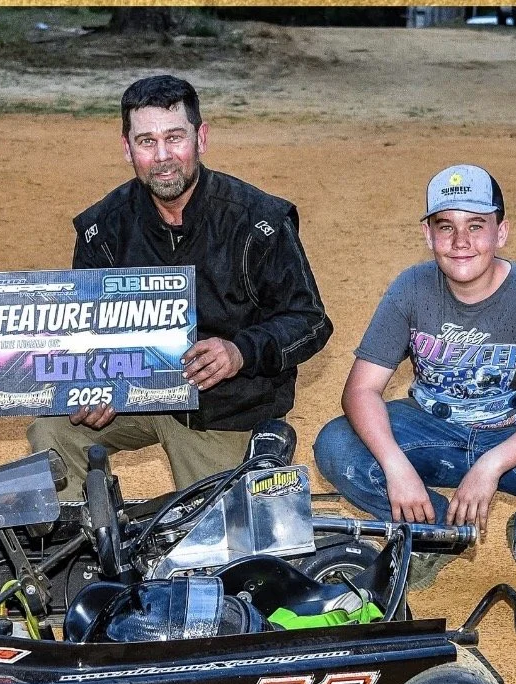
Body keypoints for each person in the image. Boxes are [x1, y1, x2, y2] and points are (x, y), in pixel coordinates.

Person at [312, 164, 516, 601]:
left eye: (476, 225)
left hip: (511, 431)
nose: (461, 241)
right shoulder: (412, 287)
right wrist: (397, 468)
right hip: (432, 427)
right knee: (337, 445)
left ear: (501, 232)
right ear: (428, 236)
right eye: (444, 226)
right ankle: (434, 534)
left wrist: (491, 466)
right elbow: (361, 389)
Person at [27, 75, 332, 499]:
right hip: (135, 400)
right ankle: (90, 546)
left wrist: (240, 351)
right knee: (53, 430)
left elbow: (310, 321)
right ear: (127, 148)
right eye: (147, 141)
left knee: (213, 547)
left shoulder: (258, 222)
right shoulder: (102, 229)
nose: (163, 156)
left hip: (224, 408)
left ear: (201, 138)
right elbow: (85, 335)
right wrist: (95, 385)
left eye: (175, 137)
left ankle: (258, 459)